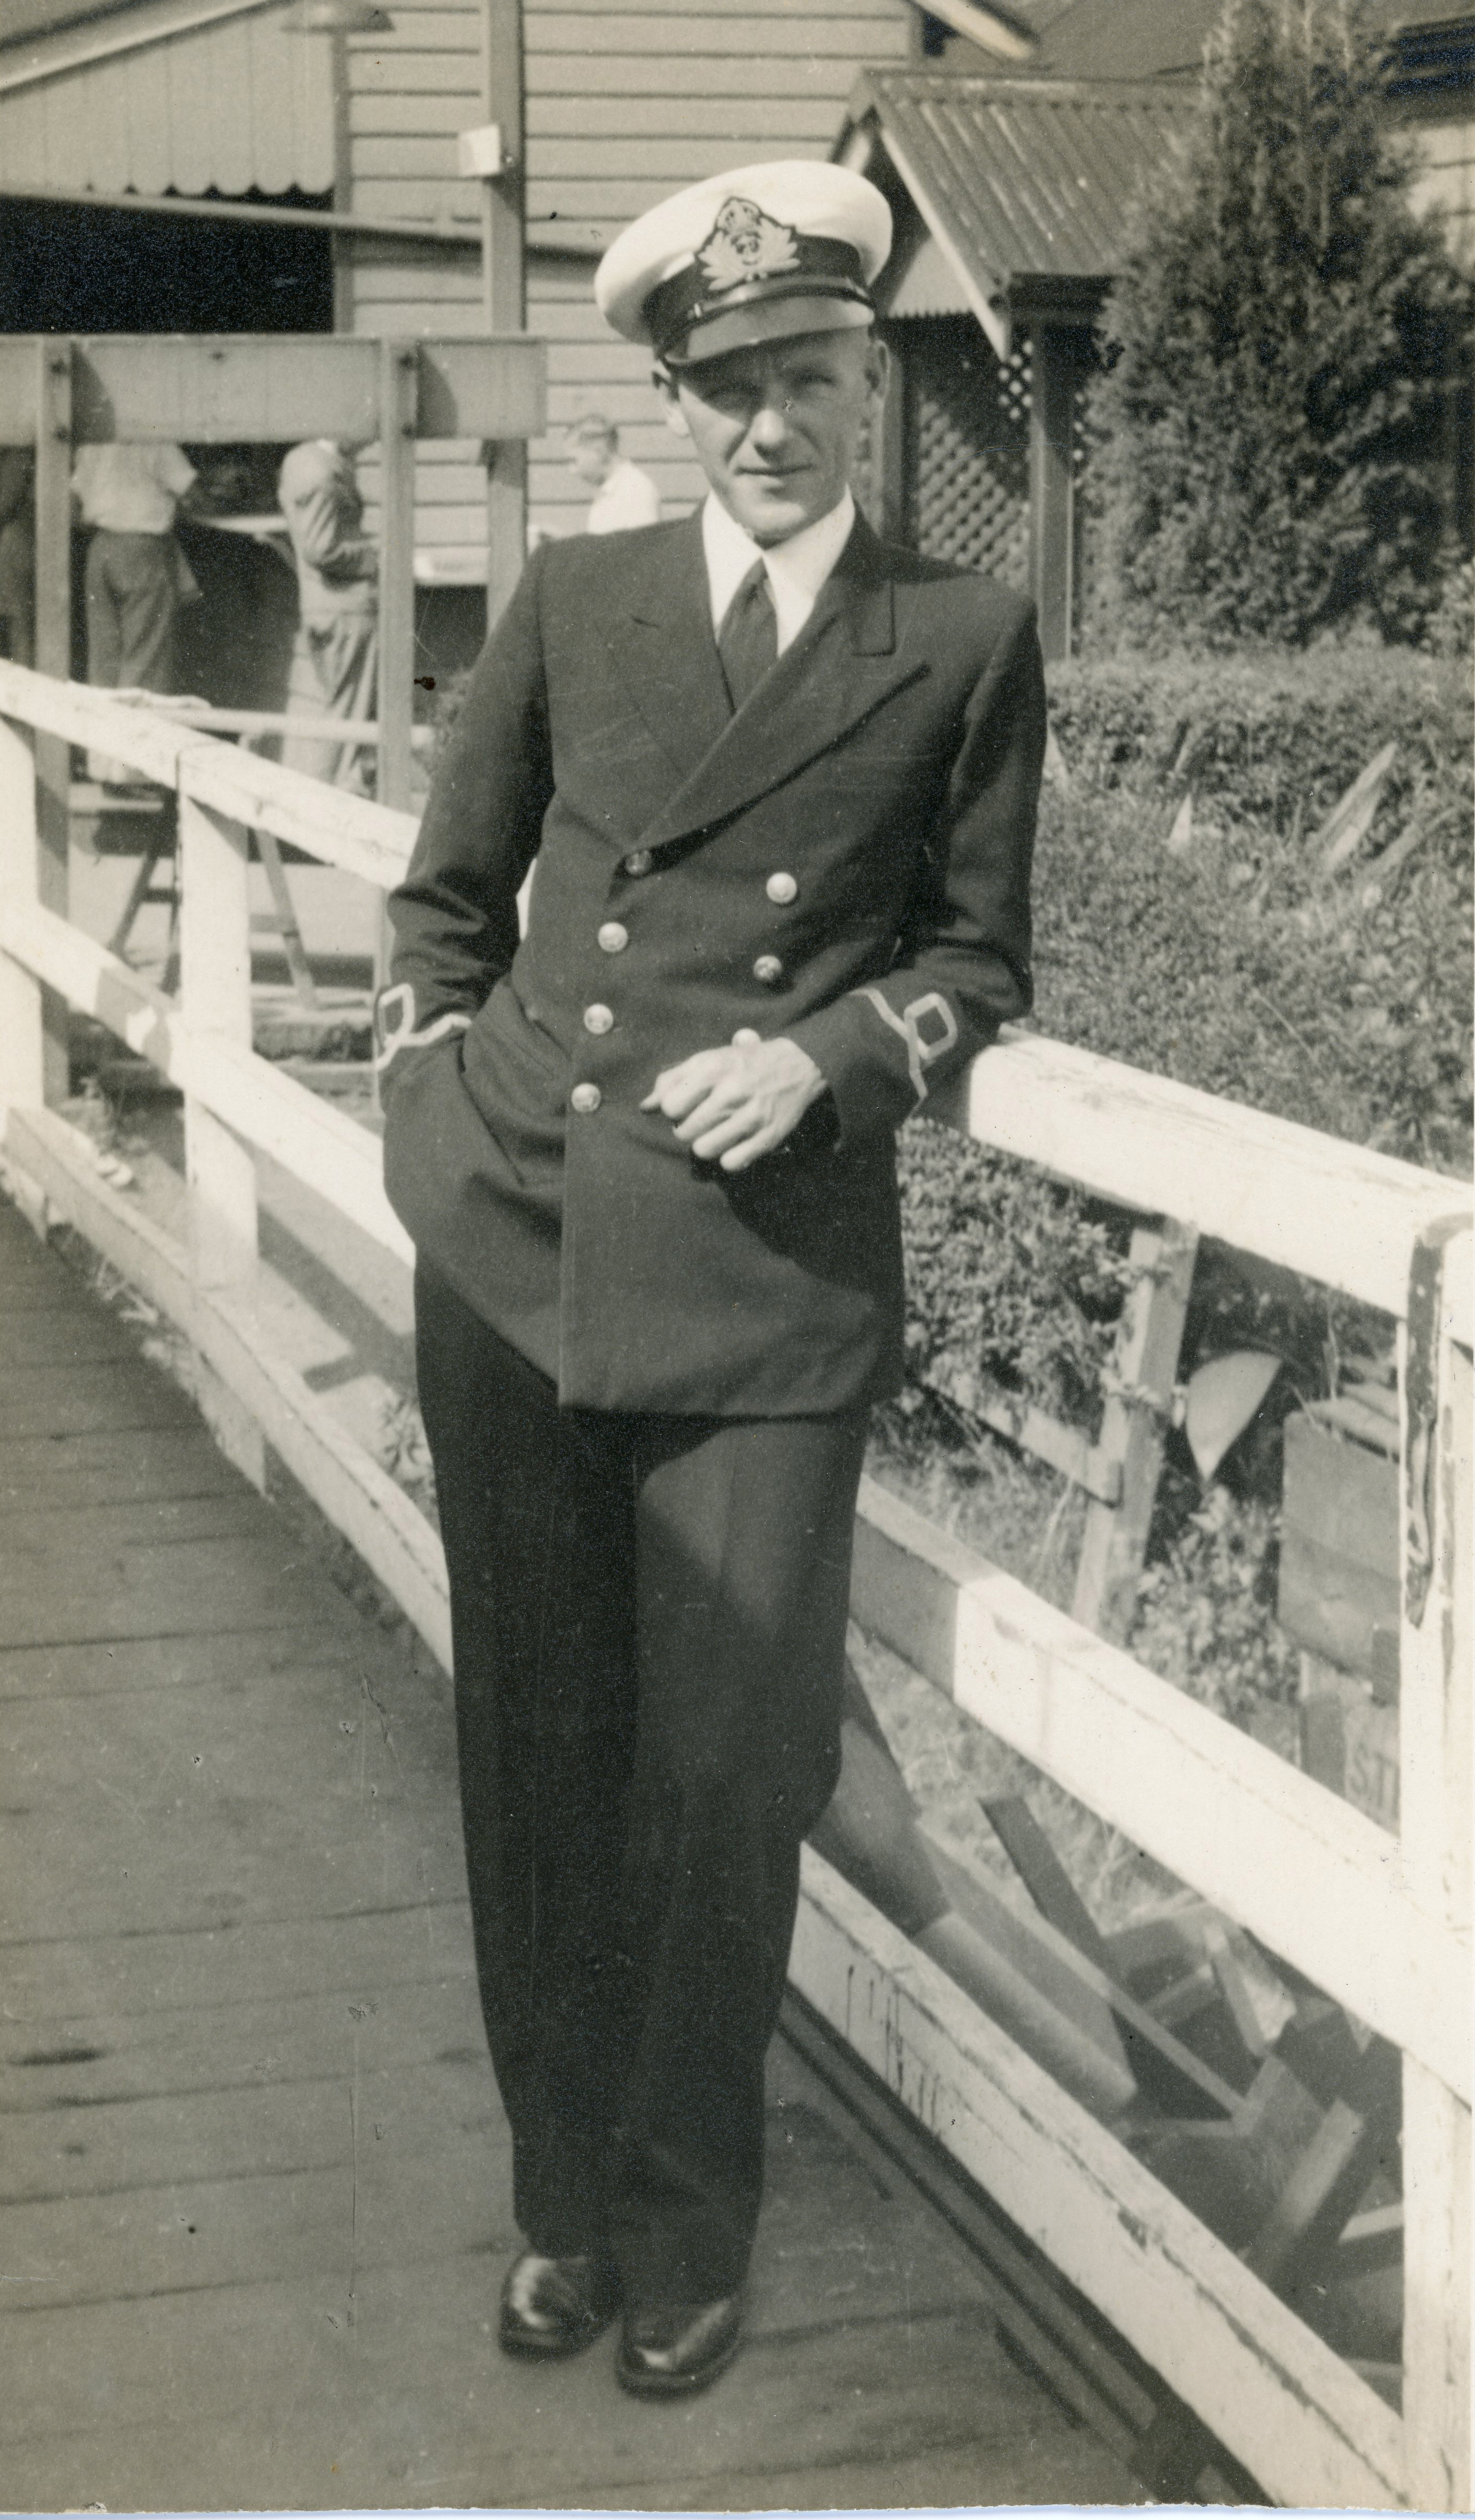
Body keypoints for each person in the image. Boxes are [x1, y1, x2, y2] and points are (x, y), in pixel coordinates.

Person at [376, 160, 1044, 2400]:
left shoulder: (954, 635)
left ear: (868, 383)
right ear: (673, 398)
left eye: (809, 376)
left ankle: (687, 2211)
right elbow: (444, 897)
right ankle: (563, 2196)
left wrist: (839, 1052)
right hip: (519, 1241)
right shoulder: (579, 595)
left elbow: (974, 951)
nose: (771, 418)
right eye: (727, 382)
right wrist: (416, 1101)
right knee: (537, 1750)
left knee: (723, 1763)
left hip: (757, 1273)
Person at [72, 439, 199, 783]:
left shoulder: (93, 441)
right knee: (145, 659)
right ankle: (132, 770)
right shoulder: (156, 442)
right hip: (143, 549)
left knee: (105, 662)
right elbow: (193, 492)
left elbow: (76, 500)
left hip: (102, 549)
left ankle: (102, 764)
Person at [276, 438, 378, 794]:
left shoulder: (305, 461)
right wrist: (375, 557)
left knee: (334, 714)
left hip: (329, 607)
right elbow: (322, 548)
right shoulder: (321, 472)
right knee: (342, 724)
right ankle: (317, 813)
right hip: (344, 609)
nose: (375, 438)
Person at [566, 411, 661, 534]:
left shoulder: (635, 490)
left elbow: (644, 550)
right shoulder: (608, 491)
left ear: (598, 452)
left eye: (574, 461)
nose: (572, 470)